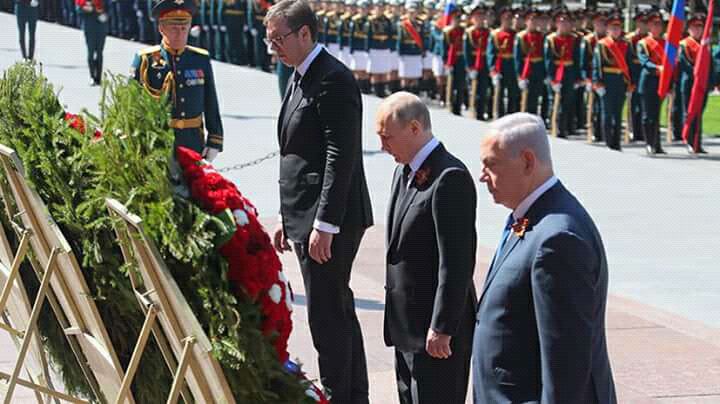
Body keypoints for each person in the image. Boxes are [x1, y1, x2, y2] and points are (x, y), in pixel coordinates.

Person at [265, 1, 374, 403]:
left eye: (279, 39)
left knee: (327, 315)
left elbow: (339, 155)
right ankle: (352, 394)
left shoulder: (332, 79)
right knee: (336, 308)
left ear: (305, 34)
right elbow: (298, 152)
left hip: (330, 219)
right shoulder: (300, 73)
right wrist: (287, 213)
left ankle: (337, 393)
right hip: (307, 213)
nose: (273, 47)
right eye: (269, 40)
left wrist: (325, 224)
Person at [473, 112, 617, 404]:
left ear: (528, 161)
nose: (482, 176)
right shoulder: (531, 217)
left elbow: (566, 365)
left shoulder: (557, 240)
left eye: (492, 164)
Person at [377, 92, 476, 404]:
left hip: (435, 333)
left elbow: (456, 262)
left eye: (387, 137)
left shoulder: (449, 177)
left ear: (414, 128)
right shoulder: (403, 171)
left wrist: (443, 327)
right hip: (406, 327)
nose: (382, 146)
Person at [131, 0, 224, 161]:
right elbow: (132, 103)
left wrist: (215, 139)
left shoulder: (200, 58)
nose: (179, 34)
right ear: (161, 28)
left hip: (192, 140)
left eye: (184, 28)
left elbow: (210, 101)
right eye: (174, 28)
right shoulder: (146, 60)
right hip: (158, 141)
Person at [593, 13, 634, 151]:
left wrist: (631, 83)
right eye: (613, 28)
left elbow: (630, 65)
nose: (616, 31)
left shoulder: (626, 44)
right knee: (607, 112)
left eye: (618, 28)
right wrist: (597, 82)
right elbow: (597, 64)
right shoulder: (602, 44)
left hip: (620, 81)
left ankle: (616, 142)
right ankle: (608, 141)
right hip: (607, 81)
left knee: (617, 113)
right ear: (608, 30)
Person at [678, 13, 715, 154]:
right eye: (694, 27)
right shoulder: (684, 44)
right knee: (689, 112)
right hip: (689, 83)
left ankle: (697, 143)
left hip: (702, 84)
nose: (697, 30)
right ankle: (689, 141)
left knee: (699, 113)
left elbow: (710, 65)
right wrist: (697, 73)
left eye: (700, 27)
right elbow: (685, 64)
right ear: (689, 29)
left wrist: (711, 82)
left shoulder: (705, 45)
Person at [544, 8, 580, 138]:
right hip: (556, 71)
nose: (565, 25)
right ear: (556, 24)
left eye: (567, 22)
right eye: (561, 22)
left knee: (567, 101)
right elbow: (548, 60)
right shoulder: (551, 39)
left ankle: (563, 127)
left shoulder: (574, 39)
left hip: (569, 72)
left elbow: (577, 59)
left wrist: (577, 78)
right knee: (553, 100)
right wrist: (552, 79)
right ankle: (553, 123)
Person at [637, 10, 666, 155]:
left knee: (657, 114)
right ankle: (649, 143)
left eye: (659, 24)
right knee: (647, 115)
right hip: (648, 81)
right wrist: (657, 68)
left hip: (661, 82)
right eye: (654, 24)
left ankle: (657, 144)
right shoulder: (643, 43)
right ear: (649, 26)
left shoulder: (666, 43)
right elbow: (644, 61)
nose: (657, 27)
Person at [487, 6, 518, 118]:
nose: (508, 21)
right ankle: (498, 114)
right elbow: (491, 53)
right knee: (498, 92)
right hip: (500, 65)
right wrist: (493, 69)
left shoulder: (516, 34)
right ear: (501, 19)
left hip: (512, 65)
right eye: (506, 18)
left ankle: (511, 115)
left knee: (513, 92)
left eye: (510, 18)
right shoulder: (495, 34)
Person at [513, 7, 545, 115]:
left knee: (535, 98)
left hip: (538, 69)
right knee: (523, 98)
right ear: (526, 21)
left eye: (536, 19)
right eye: (531, 19)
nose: (534, 22)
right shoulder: (521, 37)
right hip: (526, 69)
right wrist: (520, 76)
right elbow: (517, 58)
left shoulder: (542, 36)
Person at [77, 0, 109, 86]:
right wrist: (87, 9)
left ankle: (98, 77)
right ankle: (92, 76)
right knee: (90, 52)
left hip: (101, 27)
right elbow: (78, 10)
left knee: (99, 52)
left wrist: (103, 13)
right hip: (89, 27)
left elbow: (109, 9)